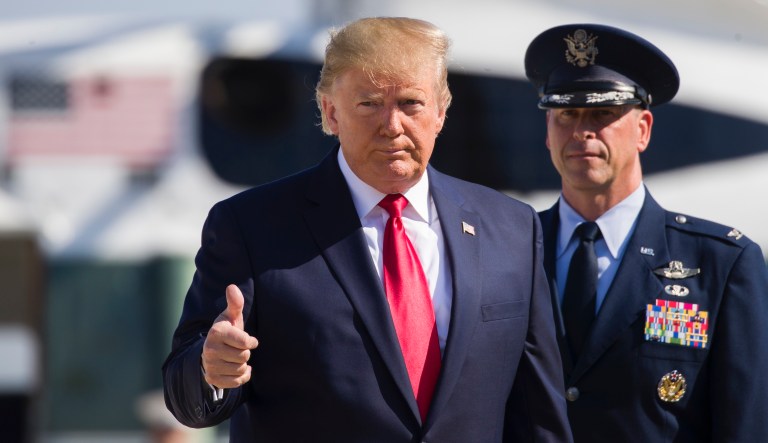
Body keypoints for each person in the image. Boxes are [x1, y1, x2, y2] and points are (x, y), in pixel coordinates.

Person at [163, 17, 572, 442]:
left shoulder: (511, 228)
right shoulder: (251, 226)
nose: (392, 125)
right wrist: (212, 370)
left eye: (411, 103)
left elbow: (538, 411)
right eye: (369, 104)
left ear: (441, 113)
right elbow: (184, 391)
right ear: (331, 112)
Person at [525, 23, 768, 442]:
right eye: (566, 113)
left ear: (643, 130)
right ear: (548, 134)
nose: (582, 131)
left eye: (602, 113)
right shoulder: (511, 248)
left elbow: (745, 425)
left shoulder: (721, 264)